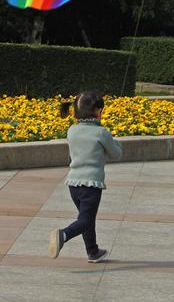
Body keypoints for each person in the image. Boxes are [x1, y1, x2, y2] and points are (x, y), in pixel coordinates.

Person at [48, 91, 123, 263]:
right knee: (86, 219)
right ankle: (63, 235)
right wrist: (115, 141)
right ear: (97, 111)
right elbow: (116, 154)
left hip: (73, 183)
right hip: (91, 184)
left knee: (86, 217)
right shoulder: (101, 133)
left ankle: (93, 251)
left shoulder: (71, 130)